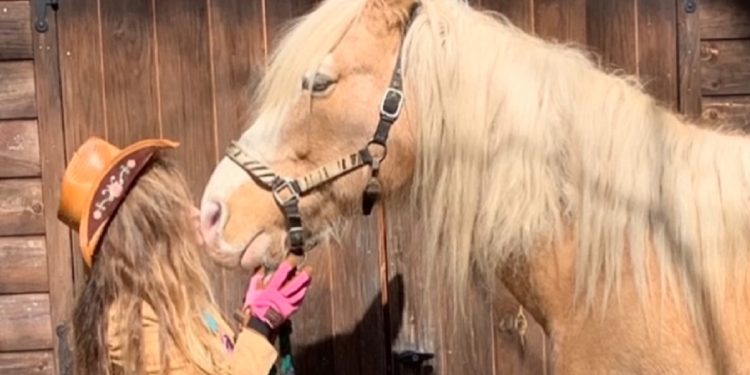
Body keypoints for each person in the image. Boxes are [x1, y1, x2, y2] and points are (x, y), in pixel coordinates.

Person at [57, 137, 312, 374]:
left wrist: (253, 324)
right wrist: (260, 325)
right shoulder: (129, 323)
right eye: (175, 210)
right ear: (147, 234)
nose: (195, 213)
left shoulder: (177, 300)